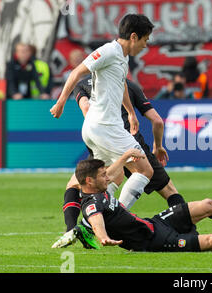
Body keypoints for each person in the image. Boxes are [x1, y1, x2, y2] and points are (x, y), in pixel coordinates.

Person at [51, 76, 187, 249]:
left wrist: (96, 132)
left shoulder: (83, 84)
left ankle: (71, 229)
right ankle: (185, 230)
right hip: (128, 141)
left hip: (100, 137)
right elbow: (157, 121)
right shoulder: (128, 85)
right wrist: (158, 146)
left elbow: (86, 108)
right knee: (167, 189)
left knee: (77, 184)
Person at [75, 149, 212, 253]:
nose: (108, 177)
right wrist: (103, 238)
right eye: (103, 175)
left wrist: (123, 159)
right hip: (152, 241)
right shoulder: (92, 204)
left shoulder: (98, 186)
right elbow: (96, 221)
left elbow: (111, 173)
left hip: (155, 223)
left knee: (208, 204)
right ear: (89, 181)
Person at [50, 14, 157, 214]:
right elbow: (77, 72)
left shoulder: (123, 57)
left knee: (110, 178)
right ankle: (117, 217)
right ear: (134, 36)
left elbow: (121, 84)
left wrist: (131, 113)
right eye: (145, 40)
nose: (145, 45)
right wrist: (61, 101)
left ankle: (92, 221)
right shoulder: (108, 51)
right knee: (145, 170)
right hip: (105, 126)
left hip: (99, 127)